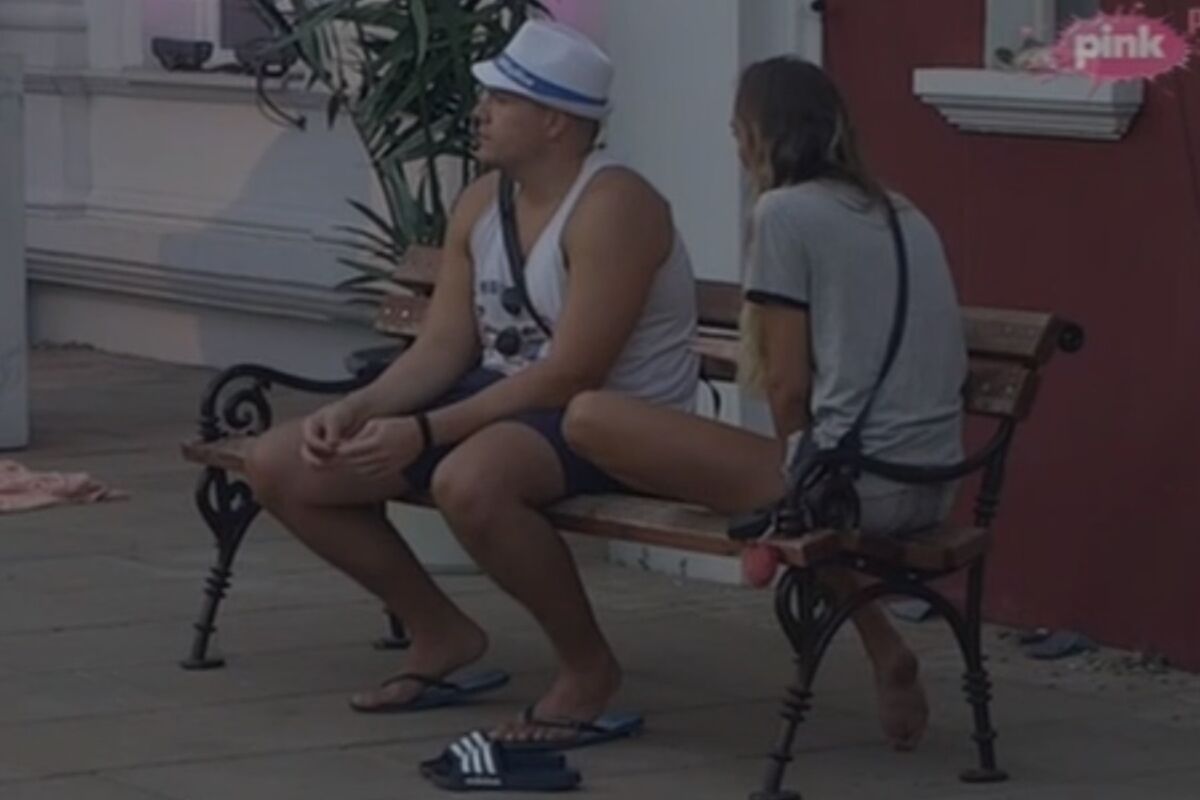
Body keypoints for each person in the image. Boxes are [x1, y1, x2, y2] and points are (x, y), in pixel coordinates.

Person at [244, 19, 699, 744]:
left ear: (554, 121)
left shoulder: (616, 206)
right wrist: (359, 407)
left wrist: (424, 431)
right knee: (281, 463)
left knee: (471, 482)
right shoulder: (484, 200)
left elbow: (572, 373)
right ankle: (440, 633)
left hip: (608, 419)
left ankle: (588, 669)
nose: (480, 112)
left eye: (502, 100)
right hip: (508, 399)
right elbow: (444, 345)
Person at [562, 57, 968, 751]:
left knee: (589, 418)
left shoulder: (784, 212)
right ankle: (880, 644)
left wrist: (797, 468)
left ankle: (873, 634)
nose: (736, 150)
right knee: (761, 478)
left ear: (759, 134)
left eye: (736, 132)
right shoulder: (903, 213)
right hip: (934, 480)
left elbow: (786, 385)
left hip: (859, 489)